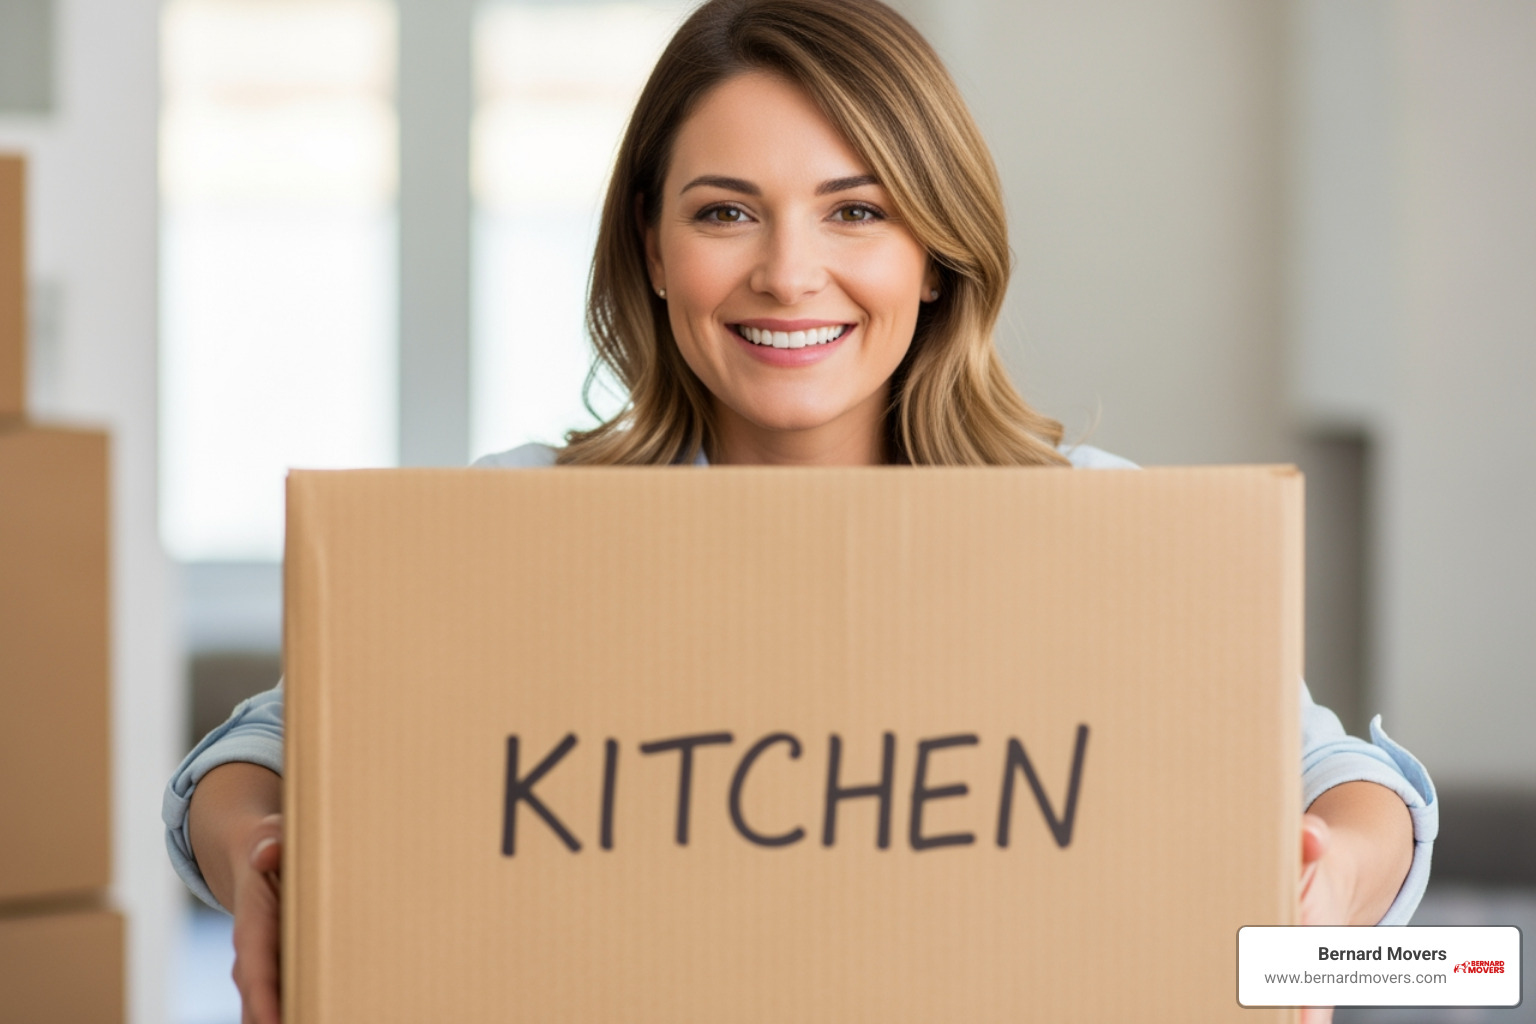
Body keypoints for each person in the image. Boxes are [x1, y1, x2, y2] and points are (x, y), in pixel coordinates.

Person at [162, 1, 1438, 1022]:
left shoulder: (1085, 525)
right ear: (653, 250)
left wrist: (1330, 897)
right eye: (725, 212)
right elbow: (254, 751)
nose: (787, 270)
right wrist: (263, 858)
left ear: (933, 254)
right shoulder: (527, 516)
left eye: (857, 211)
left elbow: (1348, 781)